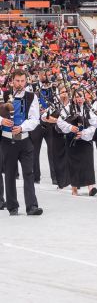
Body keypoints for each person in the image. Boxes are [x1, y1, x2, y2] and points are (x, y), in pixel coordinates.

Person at [0, 69, 43, 216]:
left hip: (25, 140)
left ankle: (31, 206)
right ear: (12, 81)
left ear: (26, 81)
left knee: (28, 173)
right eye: (17, 81)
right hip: (7, 140)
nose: (20, 84)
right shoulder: (3, 95)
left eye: (22, 81)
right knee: (10, 174)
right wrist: (1, 120)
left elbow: (35, 119)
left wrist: (22, 127)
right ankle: (12, 207)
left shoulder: (31, 97)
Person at [56, 89, 97, 197]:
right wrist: (70, 127)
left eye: (81, 97)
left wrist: (84, 133)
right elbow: (59, 122)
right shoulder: (68, 108)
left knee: (88, 163)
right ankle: (74, 188)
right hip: (72, 140)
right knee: (73, 164)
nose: (79, 99)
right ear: (73, 98)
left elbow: (95, 124)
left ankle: (91, 187)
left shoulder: (88, 109)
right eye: (77, 97)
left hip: (85, 139)